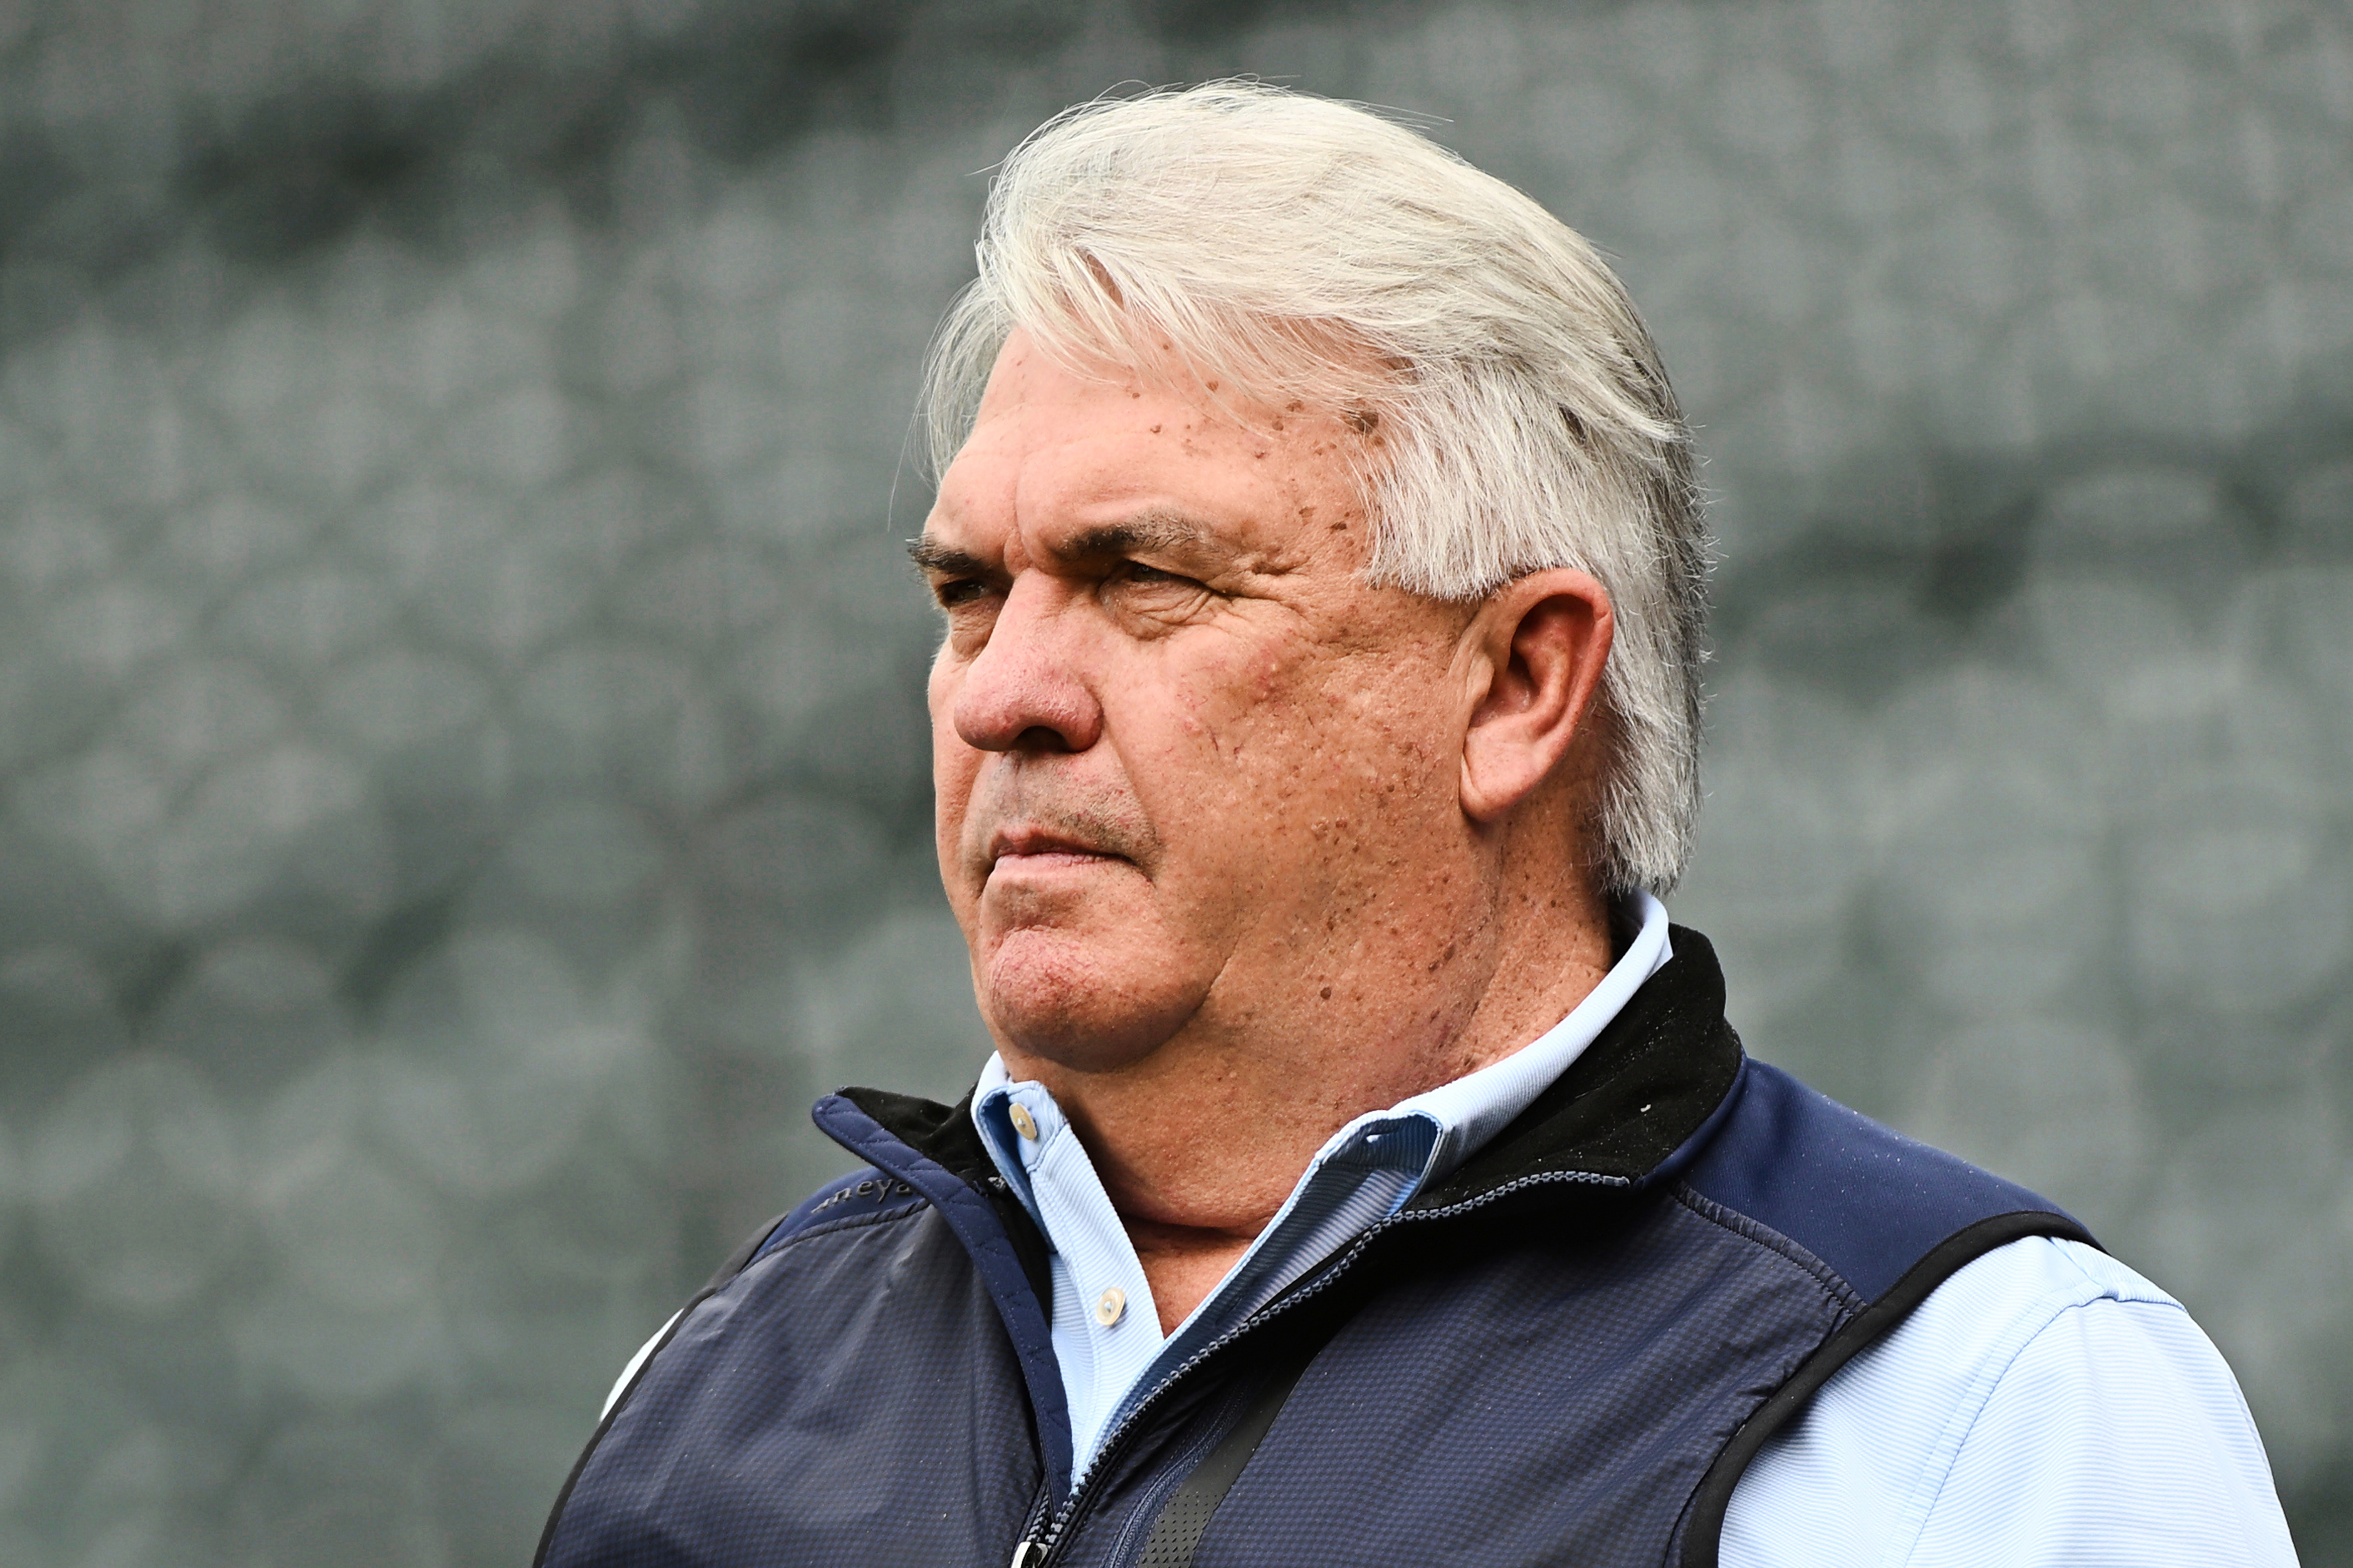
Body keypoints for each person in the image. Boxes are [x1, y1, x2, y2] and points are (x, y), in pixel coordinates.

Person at [535, 82, 2297, 1567]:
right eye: (968, 592)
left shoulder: (1975, 1416)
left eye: (1143, 577)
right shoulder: (720, 1391)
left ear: (1521, 684)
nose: (1006, 693)